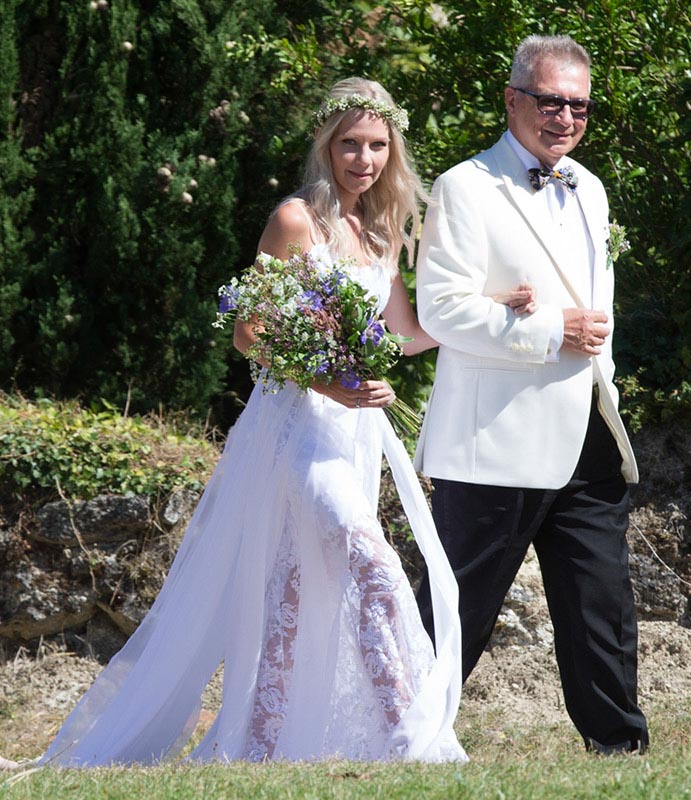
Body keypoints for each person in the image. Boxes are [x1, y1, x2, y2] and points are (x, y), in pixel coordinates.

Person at [34, 78, 532, 767]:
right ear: (325, 145)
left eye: (377, 145)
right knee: (378, 567)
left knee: (298, 591)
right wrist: (331, 382)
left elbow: (407, 333)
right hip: (296, 430)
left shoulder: (380, 230)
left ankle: (259, 748)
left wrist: (490, 304)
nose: (363, 158)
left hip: (353, 435)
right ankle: (411, 740)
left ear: (393, 151)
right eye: (350, 143)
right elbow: (249, 334)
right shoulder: (295, 220)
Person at [413, 35, 649, 755]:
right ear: (513, 99)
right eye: (551, 101)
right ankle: (396, 731)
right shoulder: (463, 186)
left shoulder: (590, 186)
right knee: (457, 612)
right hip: (494, 441)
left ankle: (619, 747)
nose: (565, 118)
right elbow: (439, 311)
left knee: (600, 603)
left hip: (586, 428)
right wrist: (549, 332)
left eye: (579, 105)